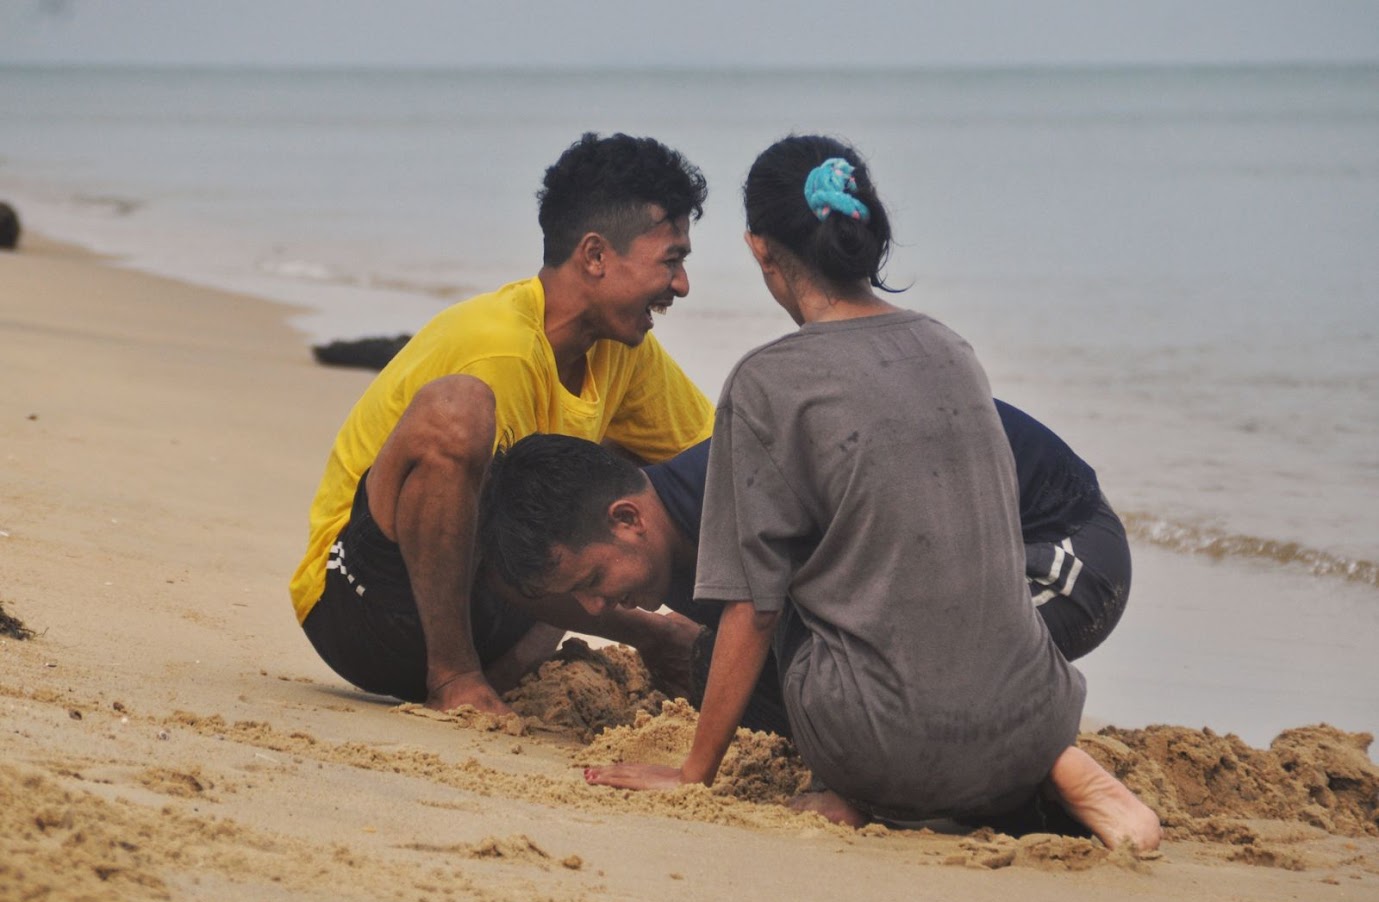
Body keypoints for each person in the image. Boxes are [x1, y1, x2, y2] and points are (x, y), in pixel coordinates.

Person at [559, 135, 1158, 849]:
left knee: (789, 573)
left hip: (872, 744)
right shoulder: (951, 349)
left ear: (759, 249)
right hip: (1035, 720)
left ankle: (847, 787)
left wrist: (693, 770)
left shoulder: (764, 383)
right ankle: (1045, 772)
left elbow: (753, 604)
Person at [289, 133, 716, 717]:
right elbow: (504, 546)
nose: (682, 285)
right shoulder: (500, 349)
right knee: (460, 411)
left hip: (495, 614)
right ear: (594, 256)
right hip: (366, 609)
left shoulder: (624, 346)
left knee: (632, 477)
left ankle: (499, 671)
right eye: (671, 260)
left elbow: (720, 468)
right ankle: (454, 677)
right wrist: (651, 633)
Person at [480, 395, 1131, 735]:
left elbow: (876, 623)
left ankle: (1055, 768)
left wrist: (831, 782)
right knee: (720, 671)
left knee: (896, 700)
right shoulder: (664, 540)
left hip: (1058, 548)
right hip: (931, 575)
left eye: (593, 581)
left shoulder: (743, 498)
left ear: (627, 518)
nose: (596, 611)